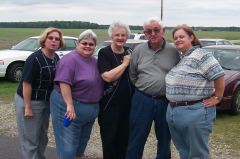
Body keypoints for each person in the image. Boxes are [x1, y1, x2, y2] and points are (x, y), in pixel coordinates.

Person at [166, 24, 225, 159]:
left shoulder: (202, 55)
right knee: (184, 151)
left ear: (191, 37)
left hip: (195, 112)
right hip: (175, 111)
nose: (178, 40)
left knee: (197, 154)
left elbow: (219, 75)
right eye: (175, 38)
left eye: (182, 36)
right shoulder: (183, 58)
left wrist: (218, 97)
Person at [126, 17, 180, 159]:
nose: (153, 33)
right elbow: (133, 75)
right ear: (145, 33)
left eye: (156, 30)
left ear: (163, 31)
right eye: (149, 31)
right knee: (136, 137)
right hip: (142, 100)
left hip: (166, 101)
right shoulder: (138, 50)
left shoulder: (173, 51)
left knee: (164, 138)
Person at [50, 29, 103, 159]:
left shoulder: (94, 61)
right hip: (70, 108)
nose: (88, 46)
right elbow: (64, 82)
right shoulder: (70, 60)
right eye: (84, 43)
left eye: (91, 44)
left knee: (81, 143)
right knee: (68, 145)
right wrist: (70, 105)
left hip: (89, 111)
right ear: (77, 44)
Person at [15, 27, 64, 159]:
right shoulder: (34, 58)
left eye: (57, 39)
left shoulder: (56, 58)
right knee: (30, 138)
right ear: (44, 40)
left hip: (46, 102)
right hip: (30, 100)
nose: (54, 41)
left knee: (42, 137)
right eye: (51, 38)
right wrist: (28, 107)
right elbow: (26, 83)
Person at [97, 21, 133, 159]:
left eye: (123, 35)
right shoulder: (104, 53)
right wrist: (125, 64)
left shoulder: (130, 52)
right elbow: (107, 77)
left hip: (128, 105)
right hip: (109, 105)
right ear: (111, 36)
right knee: (109, 142)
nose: (120, 37)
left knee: (124, 141)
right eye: (117, 35)